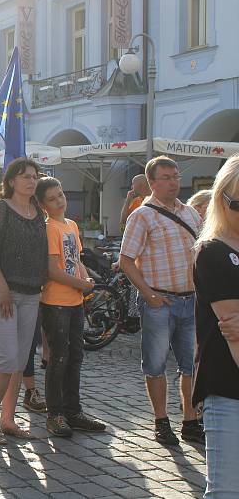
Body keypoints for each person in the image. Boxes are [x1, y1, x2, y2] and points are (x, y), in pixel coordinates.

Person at [120, 155, 204, 445]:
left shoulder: (191, 214)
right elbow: (126, 260)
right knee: (155, 365)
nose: (173, 182)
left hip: (191, 300)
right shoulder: (141, 215)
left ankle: (190, 420)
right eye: (166, 177)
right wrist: (149, 294)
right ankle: (161, 420)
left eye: (176, 176)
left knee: (191, 364)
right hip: (160, 302)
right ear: (152, 182)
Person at [0, 157, 48, 445]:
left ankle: (8, 418)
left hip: (31, 294)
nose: (31, 180)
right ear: (12, 180)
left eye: (34, 176)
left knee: (19, 360)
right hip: (0, 293)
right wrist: (3, 288)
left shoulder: (36, 211)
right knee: (5, 359)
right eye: (25, 176)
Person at [34, 176, 106, 437]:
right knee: (58, 358)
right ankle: (56, 414)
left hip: (75, 300)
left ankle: (73, 410)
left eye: (61, 195)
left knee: (75, 356)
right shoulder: (50, 228)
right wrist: (79, 282)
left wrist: (85, 279)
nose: (59, 201)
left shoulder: (72, 225)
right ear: (43, 205)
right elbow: (52, 270)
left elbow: (75, 259)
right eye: (52, 199)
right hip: (56, 303)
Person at [192, 155, 239, 497]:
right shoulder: (213, 252)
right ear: (221, 199)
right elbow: (233, 330)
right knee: (225, 490)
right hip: (228, 386)